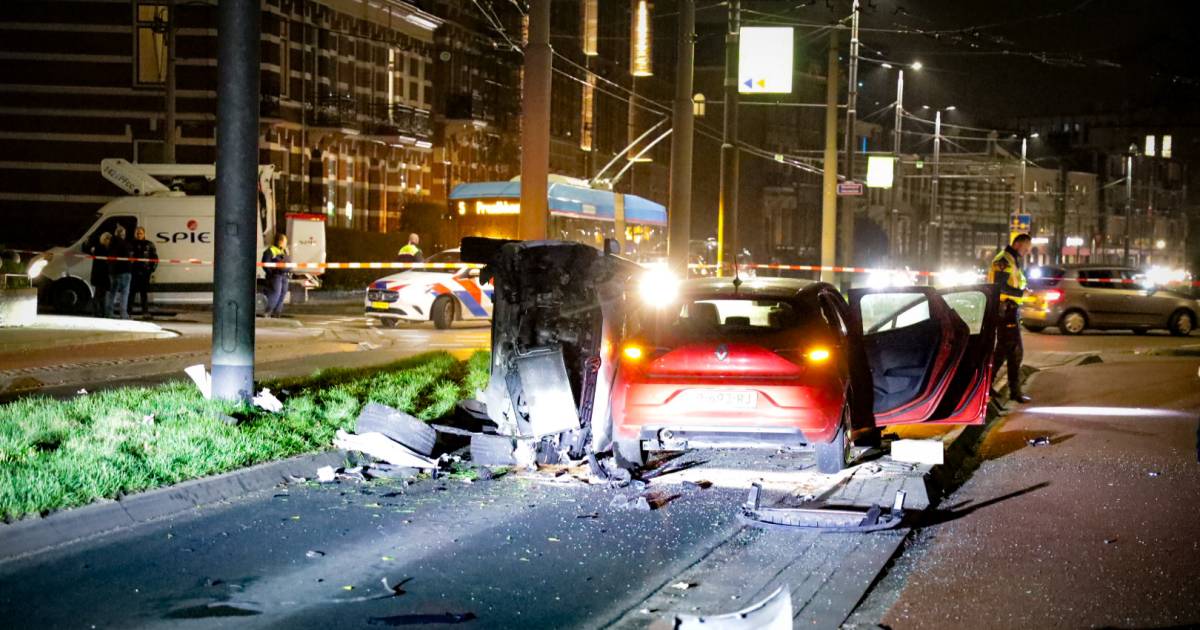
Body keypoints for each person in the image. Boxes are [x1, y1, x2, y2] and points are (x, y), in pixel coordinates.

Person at [988, 232, 1034, 404]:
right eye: (1026, 248)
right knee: (1015, 352)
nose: (1027, 252)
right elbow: (1000, 287)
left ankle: (986, 386)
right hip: (1005, 311)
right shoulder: (1004, 260)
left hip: (1009, 310)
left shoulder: (1011, 260)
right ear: (1017, 244)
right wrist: (1022, 293)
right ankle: (1014, 392)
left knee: (1001, 352)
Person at [128, 226, 157, 317]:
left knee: (143, 293)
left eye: (140, 233)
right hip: (133, 272)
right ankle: (128, 311)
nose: (139, 234)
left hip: (145, 272)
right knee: (131, 292)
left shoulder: (149, 244)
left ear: (144, 234)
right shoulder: (130, 244)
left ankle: (145, 311)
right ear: (134, 234)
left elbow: (155, 258)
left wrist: (151, 269)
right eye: (137, 233)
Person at [107, 225, 133, 319]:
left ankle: (109, 313)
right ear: (122, 234)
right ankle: (123, 314)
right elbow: (129, 256)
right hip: (124, 271)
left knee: (112, 293)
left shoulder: (110, 244)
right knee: (124, 293)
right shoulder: (125, 244)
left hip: (113, 271)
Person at [262, 233, 290, 318]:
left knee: (282, 294)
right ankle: (267, 311)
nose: (286, 243)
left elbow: (287, 263)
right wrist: (272, 273)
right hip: (276, 276)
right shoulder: (271, 250)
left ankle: (276, 313)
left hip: (284, 276)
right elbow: (265, 264)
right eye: (285, 241)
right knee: (275, 294)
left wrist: (287, 254)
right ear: (280, 241)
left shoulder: (283, 251)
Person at [89, 232, 112, 317]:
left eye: (109, 239)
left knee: (103, 294)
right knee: (98, 294)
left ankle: (102, 312)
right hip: (99, 274)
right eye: (106, 238)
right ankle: (96, 312)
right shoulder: (98, 248)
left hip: (105, 274)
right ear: (103, 239)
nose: (108, 240)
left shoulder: (109, 248)